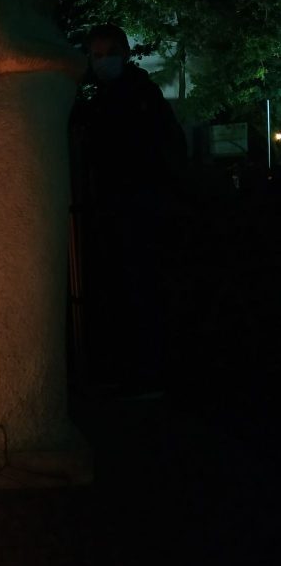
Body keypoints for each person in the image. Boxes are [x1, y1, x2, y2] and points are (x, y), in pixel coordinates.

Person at [73, 23, 187, 395]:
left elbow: (160, 149)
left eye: (106, 54)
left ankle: (148, 372)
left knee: (141, 287)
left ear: (123, 54)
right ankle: (135, 371)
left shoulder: (138, 96)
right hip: (121, 204)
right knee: (125, 288)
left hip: (139, 204)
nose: (101, 61)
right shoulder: (112, 97)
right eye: (96, 55)